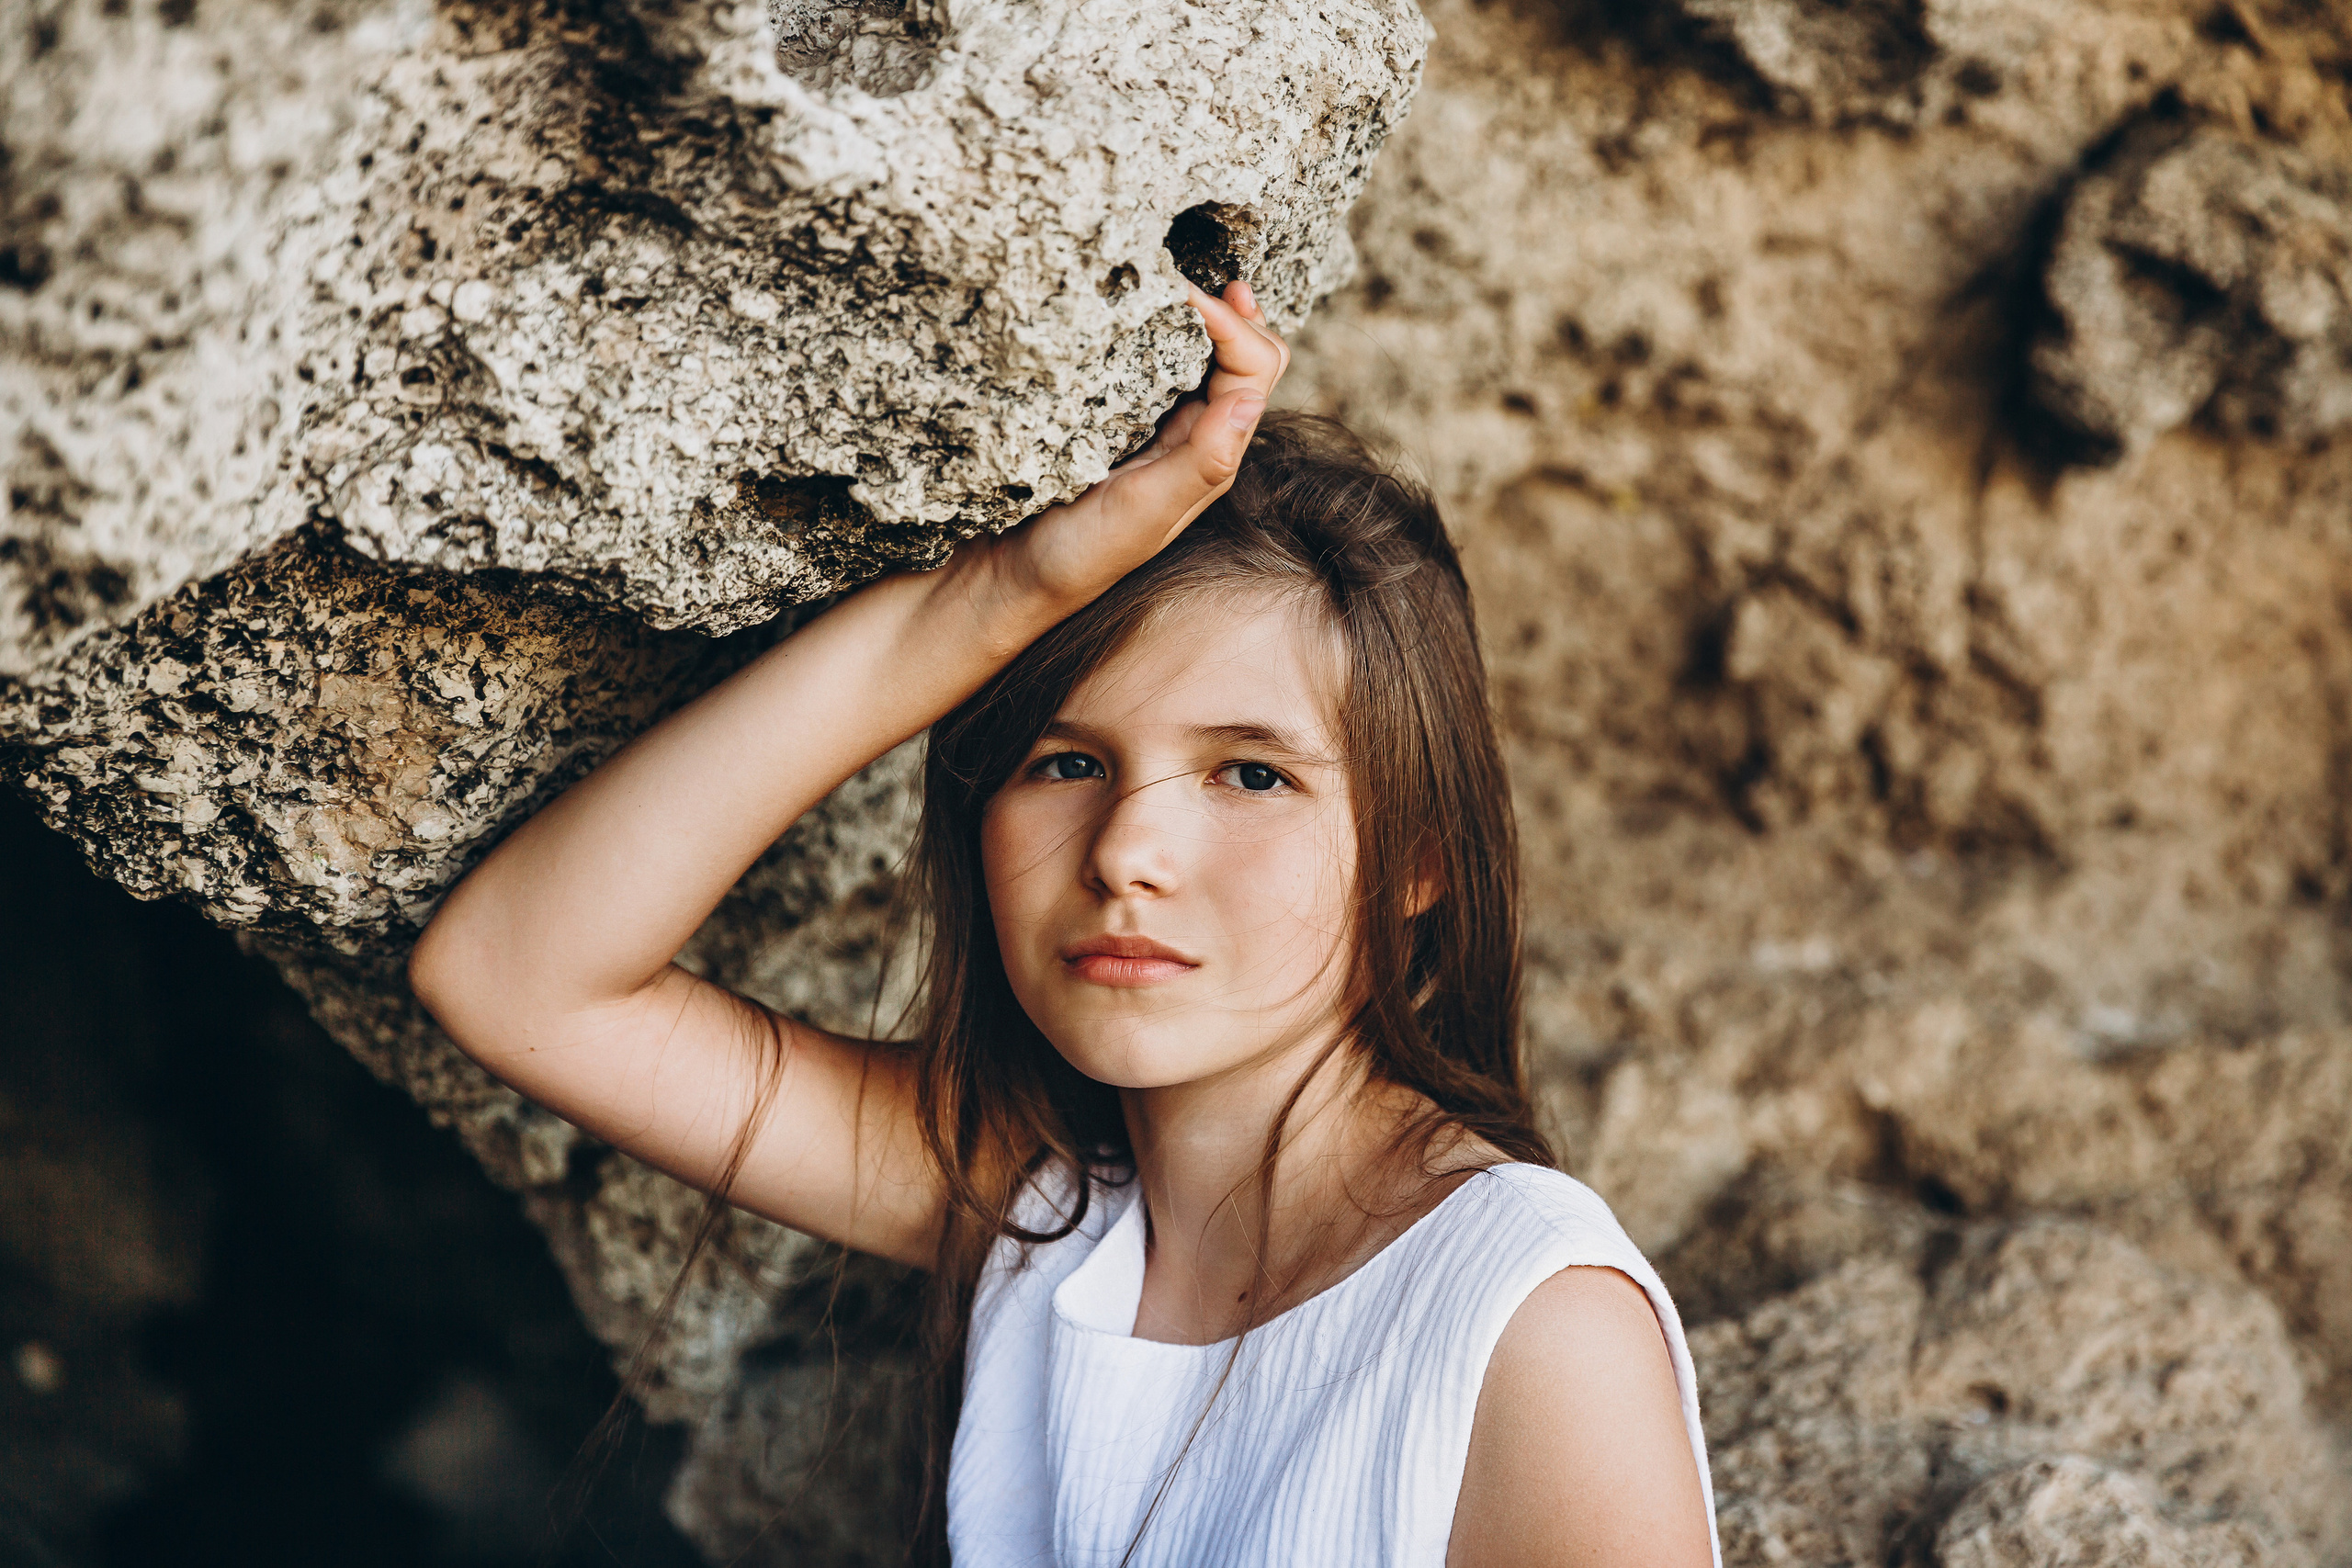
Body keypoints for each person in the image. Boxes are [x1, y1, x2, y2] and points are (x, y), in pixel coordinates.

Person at [407, 280, 1719, 1567]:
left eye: (1252, 773)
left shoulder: (1535, 1328)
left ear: (1420, 863)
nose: (1128, 853)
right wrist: (992, 600)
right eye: (1065, 760)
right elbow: (518, 975)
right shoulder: (1044, 1213)